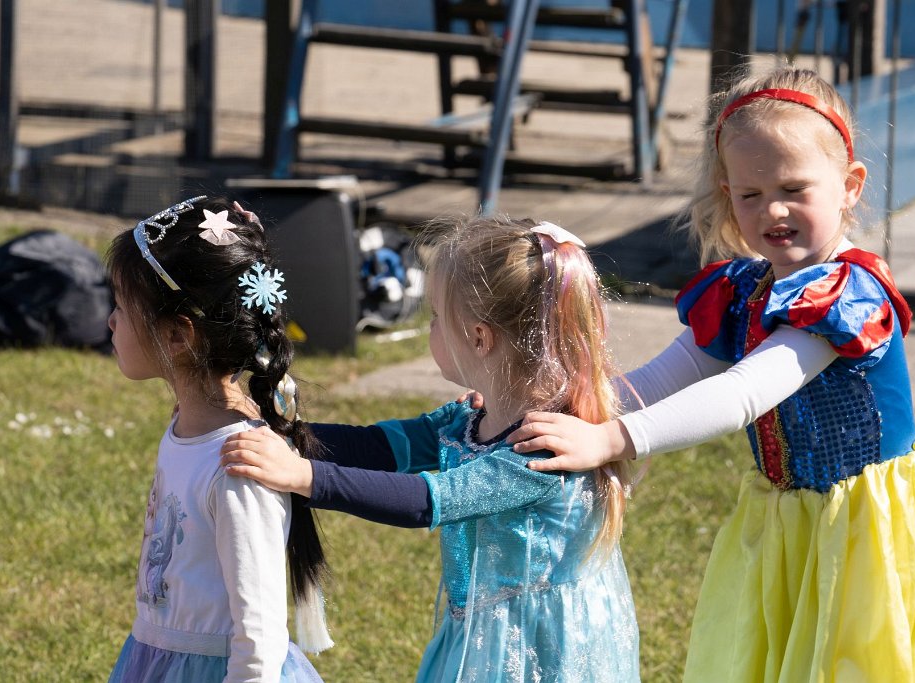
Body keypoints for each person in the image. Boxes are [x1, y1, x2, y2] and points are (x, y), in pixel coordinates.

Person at [508, 67, 915, 681]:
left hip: (867, 527)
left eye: (794, 188)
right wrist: (571, 407)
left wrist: (612, 439)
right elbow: (664, 375)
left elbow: (745, 391)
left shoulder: (845, 296)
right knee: (784, 657)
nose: (772, 209)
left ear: (850, 186)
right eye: (749, 195)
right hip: (787, 520)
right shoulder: (743, 291)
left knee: (853, 661)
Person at [219, 216, 641, 682]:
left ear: (479, 338)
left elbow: (429, 500)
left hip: (538, 649)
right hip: (481, 635)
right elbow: (378, 446)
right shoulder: (467, 420)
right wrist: (286, 434)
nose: (431, 330)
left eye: (438, 317)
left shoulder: (542, 449)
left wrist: (305, 477)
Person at [105, 196, 333, 682]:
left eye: (122, 306)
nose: (111, 320)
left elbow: (259, 634)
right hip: (157, 661)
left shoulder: (238, 463)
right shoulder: (188, 427)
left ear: (177, 336)